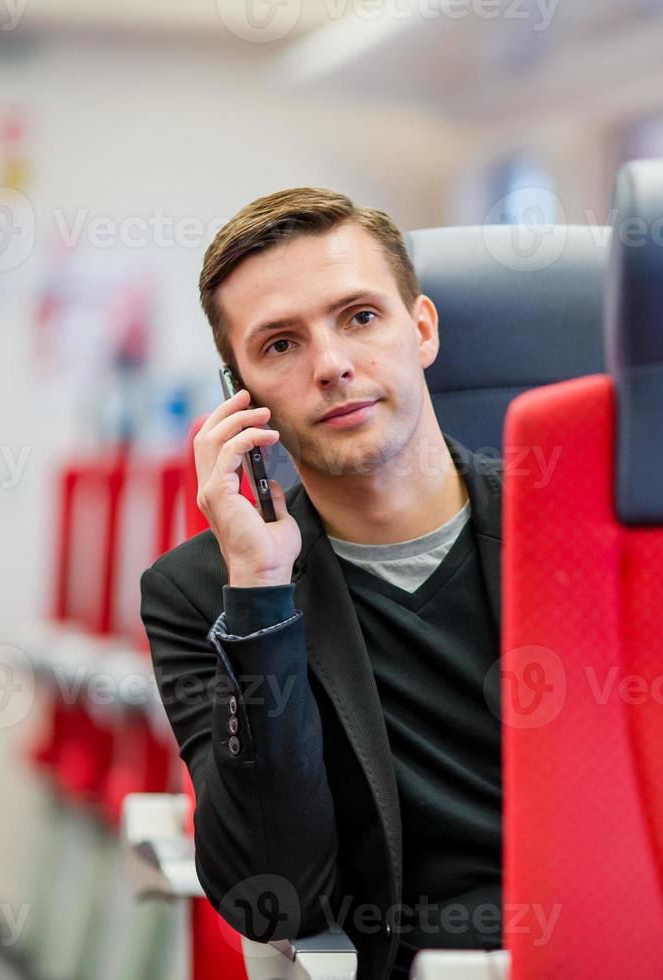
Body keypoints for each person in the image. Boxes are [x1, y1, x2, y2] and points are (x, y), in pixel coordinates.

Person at [141, 188, 504, 980]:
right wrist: (262, 592)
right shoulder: (204, 593)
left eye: (361, 317)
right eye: (279, 345)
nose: (332, 365)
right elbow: (276, 902)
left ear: (423, 327)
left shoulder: (575, 527)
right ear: (241, 393)